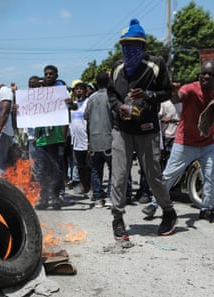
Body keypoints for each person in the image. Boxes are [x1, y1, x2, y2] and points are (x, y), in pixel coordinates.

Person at [107, 19, 177, 240]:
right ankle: (117, 219)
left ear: (143, 46)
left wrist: (147, 95)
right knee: (118, 175)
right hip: (122, 129)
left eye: (134, 45)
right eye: (125, 44)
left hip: (147, 129)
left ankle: (168, 212)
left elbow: (167, 92)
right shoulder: (117, 68)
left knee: (153, 175)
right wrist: (120, 108)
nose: (129, 49)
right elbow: (111, 96)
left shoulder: (156, 65)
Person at [144, 60, 214, 222]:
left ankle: (207, 208)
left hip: (208, 143)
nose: (205, 76)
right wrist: (173, 92)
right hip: (185, 143)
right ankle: (154, 204)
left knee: (210, 176)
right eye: (203, 73)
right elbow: (177, 98)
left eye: (210, 74)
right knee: (169, 175)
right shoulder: (190, 88)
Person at [34, 65, 74, 210]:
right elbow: (30, 114)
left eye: (51, 74)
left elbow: (71, 110)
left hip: (56, 137)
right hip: (41, 138)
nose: (48, 76)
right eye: (46, 74)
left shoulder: (61, 93)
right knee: (41, 170)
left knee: (57, 169)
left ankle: (56, 196)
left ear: (56, 75)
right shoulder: (37, 94)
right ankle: (43, 199)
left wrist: (70, 104)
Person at [84, 71, 113, 208]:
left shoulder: (91, 99)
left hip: (94, 140)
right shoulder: (111, 97)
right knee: (114, 170)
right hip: (109, 139)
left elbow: (86, 118)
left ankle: (97, 198)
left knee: (96, 170)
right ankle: (109, 197)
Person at [69, 80, 91, 195]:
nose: (79, 91)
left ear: (86, 91)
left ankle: (91, 186)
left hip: (87, 140)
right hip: (76, 141)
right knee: (80, 165)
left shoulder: (88, 103)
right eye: (77, 89)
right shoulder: (72, 105)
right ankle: (83, 186)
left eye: (81, 89)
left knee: (90, 166)